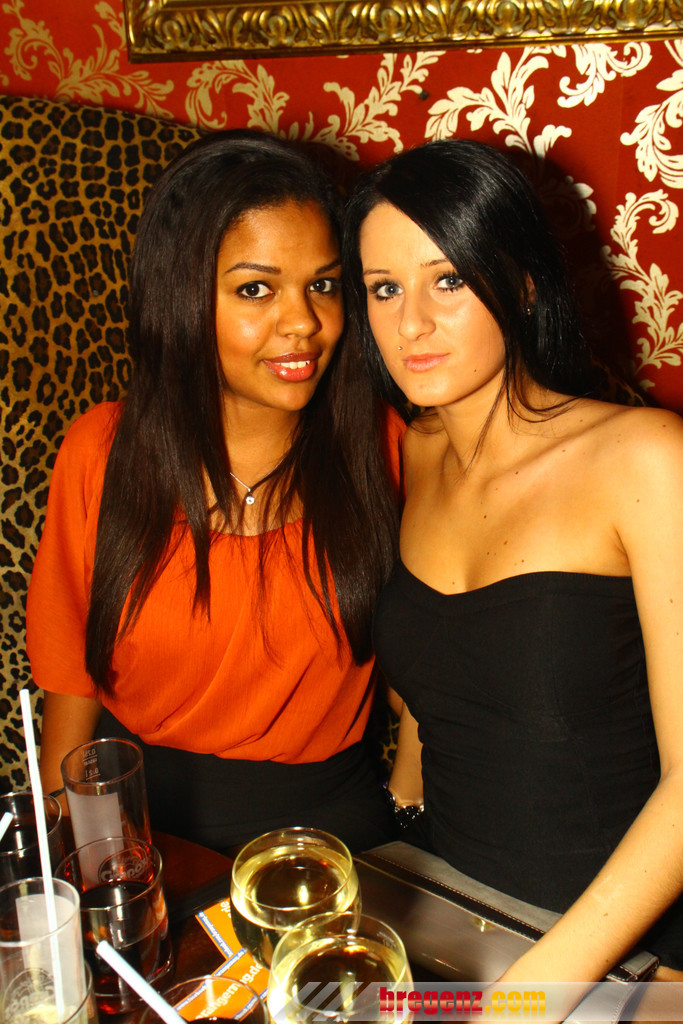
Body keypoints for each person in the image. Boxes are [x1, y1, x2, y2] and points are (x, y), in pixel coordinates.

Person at [342, 139, 683, 994]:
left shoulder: (644, 459)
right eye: (384, 288)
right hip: (455, 914)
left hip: (619, 950)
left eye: (449, 280)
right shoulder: (417, 451)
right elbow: (450, 666)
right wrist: (403, 811)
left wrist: (530, 998)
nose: (410, 324)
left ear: (524, 283)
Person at [27, 129, 402, 855]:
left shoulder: (386, 449)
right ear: (183, 295)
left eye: (323, 285)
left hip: (326, 836)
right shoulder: (102, 451)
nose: (303, 323)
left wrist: (411, 810)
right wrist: (64, 849)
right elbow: (70, 679)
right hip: (137, 825)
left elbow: (436, 675)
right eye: (255, 289)